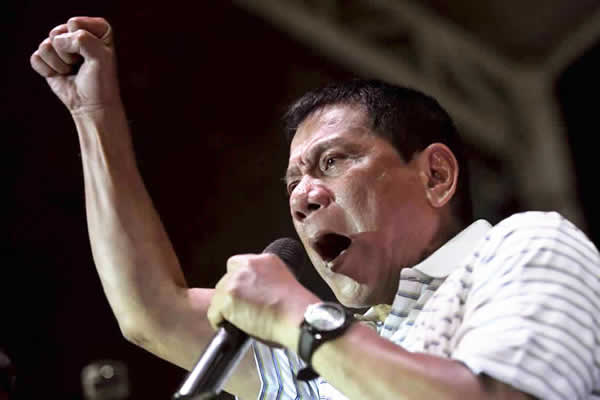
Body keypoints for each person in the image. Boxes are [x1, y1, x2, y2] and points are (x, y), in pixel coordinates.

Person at [30, 17, 600, 400]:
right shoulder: (323, 352)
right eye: (292, 183)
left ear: (436, 175)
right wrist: (92, 114)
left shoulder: (524, 244)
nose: (303, 199)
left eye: (331, 163)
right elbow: (150, 313)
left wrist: (297, 319)